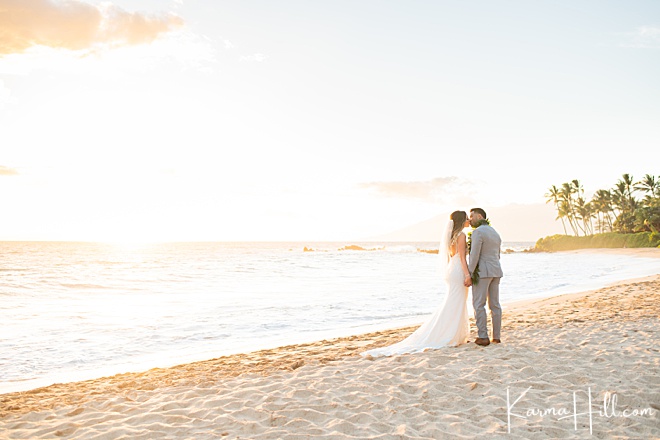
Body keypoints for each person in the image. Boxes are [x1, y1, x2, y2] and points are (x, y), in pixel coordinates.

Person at [361, 210, 472, 357]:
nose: (469, 220)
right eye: (466, 218)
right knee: (457, 302)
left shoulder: (451, 236)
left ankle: (453, 333)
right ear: (461, 221)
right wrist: (467, 274)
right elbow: (463, 258)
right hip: (458, 270)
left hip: (451, 269)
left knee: (453, 302)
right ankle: (451, 335)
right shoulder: (461, 235)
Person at [464, 208, 503, 346]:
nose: (470, 219)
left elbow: (474, 255)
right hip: (496, 271)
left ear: (480, 216)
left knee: (478, 304)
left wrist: (469, 273)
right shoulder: (495, 232)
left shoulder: (478, 232)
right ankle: (496, 337)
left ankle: (483, 336)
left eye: (472, 216)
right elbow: (497, 254)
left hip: (483, 272)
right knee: (495, 305)